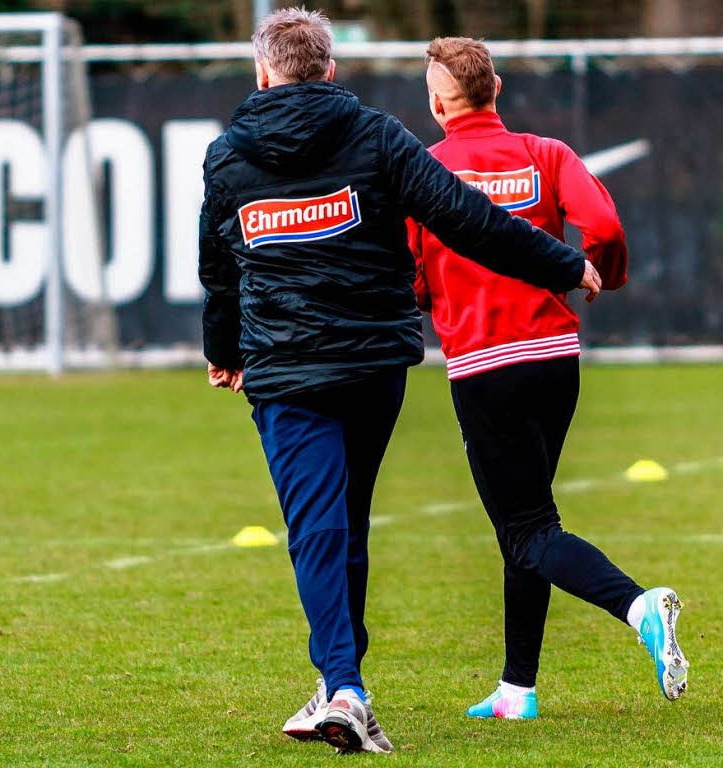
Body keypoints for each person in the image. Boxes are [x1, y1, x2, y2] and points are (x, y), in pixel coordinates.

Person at [199, 9, 602, 753]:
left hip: (287, 369)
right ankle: (337, 681)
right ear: (329, 69)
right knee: (342, 517)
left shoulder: (228, 156)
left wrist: (222, 349)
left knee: (318, 527)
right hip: (373, 365)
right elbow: (466, 219)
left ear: (262, 73)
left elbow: (218, 269)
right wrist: (560, 262)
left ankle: (345, 687)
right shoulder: (379, 136)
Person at [408, 37, 689, 720]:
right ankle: (516, 690)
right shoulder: (548, 153)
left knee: (528, 527)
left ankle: (637, 606)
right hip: (556, 358)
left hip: (484, 365)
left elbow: (410, 267)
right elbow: (605, 224)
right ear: (496, 88)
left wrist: (430, 294)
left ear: (438, 102)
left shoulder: (426, 168)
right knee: (528, 518)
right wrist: (604, 274)